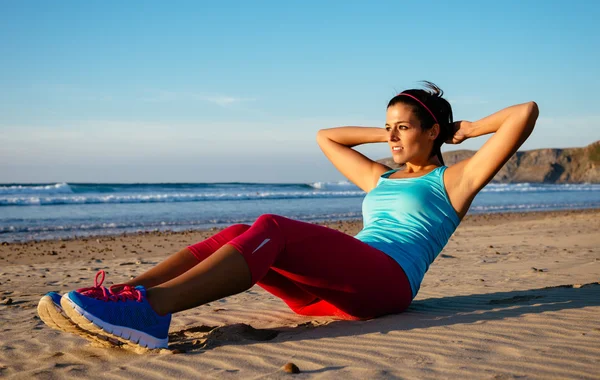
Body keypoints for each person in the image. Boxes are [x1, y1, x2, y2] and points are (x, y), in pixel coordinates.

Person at [37, 81, 539, 350]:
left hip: (386, 284)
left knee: (272, 227)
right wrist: (390, 125)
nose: (391, 137)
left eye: (403, 128)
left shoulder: (454, 181)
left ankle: (151, 312)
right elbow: (326, 136)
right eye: (389, 127)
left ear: (432, 132)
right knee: (242, 231)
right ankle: (131, 294)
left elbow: (525, 112)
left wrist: (464, 128)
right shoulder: (379, 178)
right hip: (333, 294)